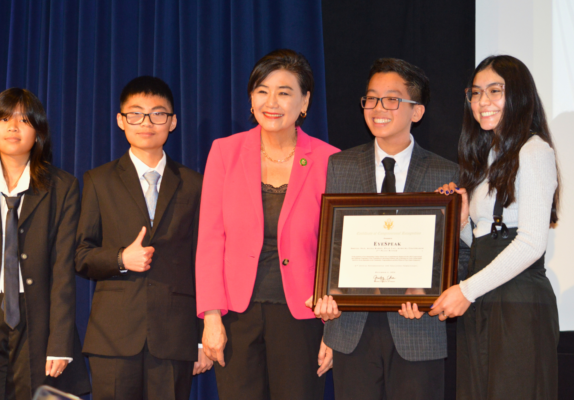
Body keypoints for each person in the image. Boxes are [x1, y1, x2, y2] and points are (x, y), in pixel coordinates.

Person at [313, 58, 461, 400]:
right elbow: (330, 243)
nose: (379, 108)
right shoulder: (341, 165)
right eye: (371, 98)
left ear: (417, 112)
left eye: (392, 99)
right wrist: (326, 293)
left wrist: (430, 293)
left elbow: (460, 253)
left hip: (417, 328)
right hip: (351, 330)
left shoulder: (446, 172)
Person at [196, 49, 339, 400]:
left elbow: (338, 248)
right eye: (262, 90)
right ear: (251, 98)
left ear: (304, 102)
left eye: (285, 92)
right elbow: (211, 239)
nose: (271, 102)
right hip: (236, 316)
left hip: (303, 317)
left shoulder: (330, 159)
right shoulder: (224, 152)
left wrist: (335, 328)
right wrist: (211, 318)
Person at [431, 55, 560, 400]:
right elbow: (485, 241)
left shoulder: (533, 151)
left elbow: (532, 242)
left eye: (494, 91)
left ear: (518, 96)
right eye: (475, 93)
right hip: (486, 297)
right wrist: (460, 225)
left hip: (517, 303)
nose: (482, 102)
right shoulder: (488, 155)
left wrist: (466, 291)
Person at [75, 76, 210, 400]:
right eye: (135, 114)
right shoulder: (99, 180)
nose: (146, 123)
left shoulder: (195, 183)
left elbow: (203, 261)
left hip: (175, 336)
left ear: (172, 121)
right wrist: (121, 259)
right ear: (121, 120)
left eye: (157, 113)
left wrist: (202, 337)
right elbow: (81, 255)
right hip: (113, 336)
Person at [0, 88, 90, 399]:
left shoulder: (62, 187)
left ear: (38, 133)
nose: (13, 127)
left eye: (24, 120)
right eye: (3, 118)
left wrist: (60, 342)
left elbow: (64, 270)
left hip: (37, 320)